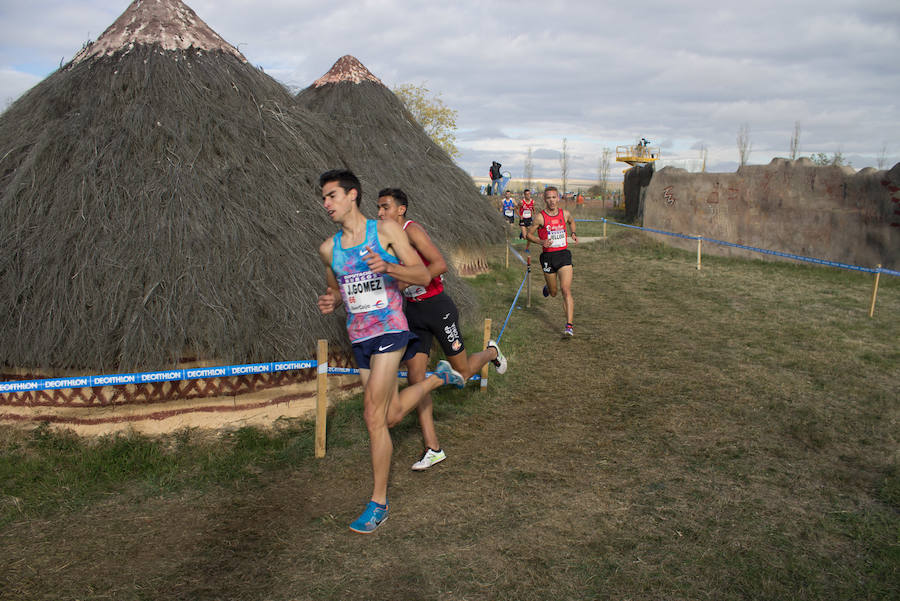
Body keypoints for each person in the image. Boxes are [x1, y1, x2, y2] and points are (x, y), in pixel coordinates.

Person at [316, 169, 465, 534]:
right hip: (360, 336)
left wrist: (389, 266)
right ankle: (436, 379)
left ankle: (378, 504)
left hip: (391, 328)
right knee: (391, 414)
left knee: (371, 415)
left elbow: (424, 275)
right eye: (323, 198)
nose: (326, 204)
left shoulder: (384, 232)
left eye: (332, 196)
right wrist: (332, 300)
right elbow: (338, 291)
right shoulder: (328, 249)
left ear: (353, 195)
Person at [376, 188, 507, 470]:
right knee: (416, 377)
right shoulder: (386, 240)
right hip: (413, 312)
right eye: (378, 208)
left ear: (401, 210)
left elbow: (439, 264)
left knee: (461, 373)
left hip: (436, 307)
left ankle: (491, 352)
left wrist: (403, 282)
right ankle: (433, 447)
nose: (380, 213)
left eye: (385, 207)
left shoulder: (412, 231)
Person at [525, 186, 578, 336]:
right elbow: (529, 235)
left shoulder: (565, 214)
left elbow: (572, 222)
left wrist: (573, 233)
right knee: (554, 292)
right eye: (548, 198)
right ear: (544, 199)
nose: (552, 200)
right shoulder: (540, 217)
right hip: (548, 257)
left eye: (554, 197)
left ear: (558, 198)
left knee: (565, 290)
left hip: (563, 255)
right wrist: (541, 242)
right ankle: (548, 287)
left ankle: (569, 326)